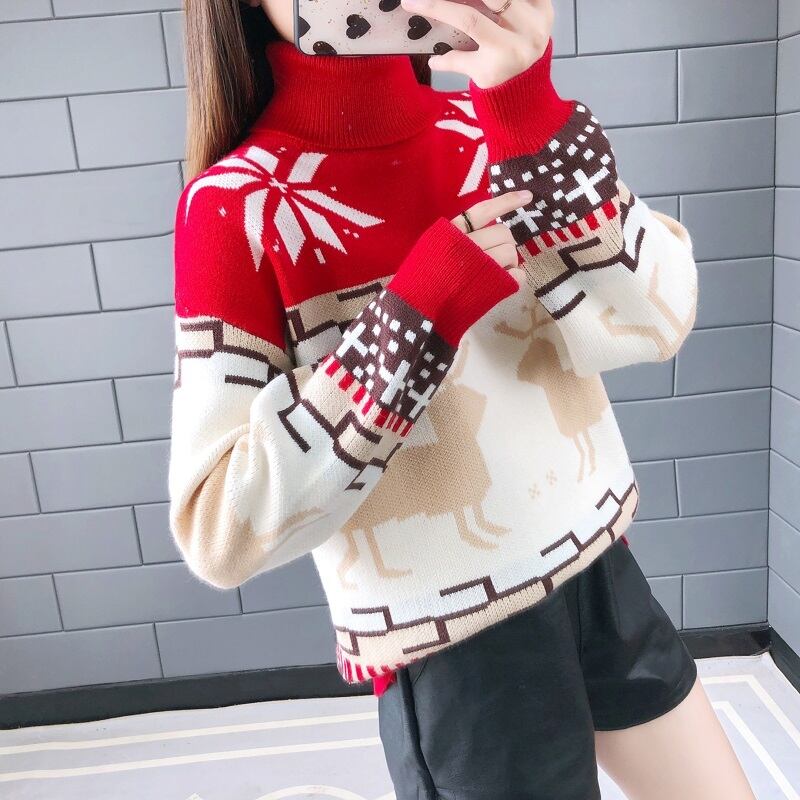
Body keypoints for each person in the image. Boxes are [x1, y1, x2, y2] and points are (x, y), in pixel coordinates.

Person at [168, 1, 757, 797]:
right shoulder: (236, 206)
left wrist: (531, 111)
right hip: (459, 648)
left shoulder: (494, 127)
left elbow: (660, 317)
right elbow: (217, 526)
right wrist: (413, 318)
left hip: (600, 569)